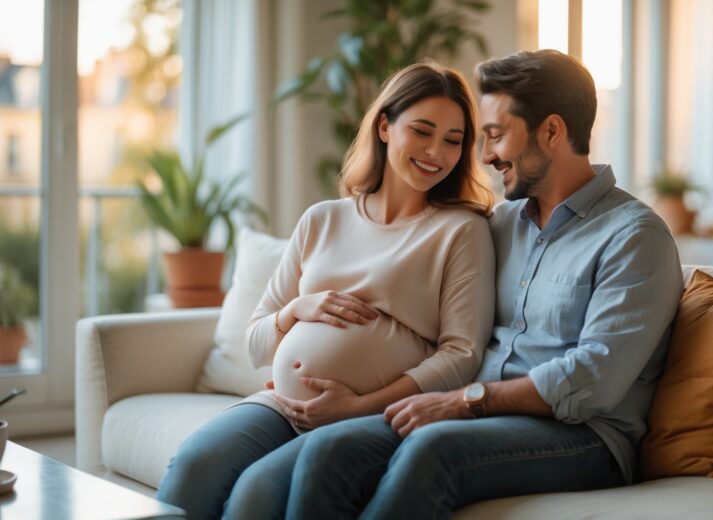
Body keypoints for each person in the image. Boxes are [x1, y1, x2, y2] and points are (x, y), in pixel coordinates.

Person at [277, 49, 685, 519]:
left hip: (583, 436)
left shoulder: (634, 236)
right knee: (329, 450)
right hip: (476, 415)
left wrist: (469, 400)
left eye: (495, 136)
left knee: (433, 452)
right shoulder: (501, 224)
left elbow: (593, 380)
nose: (486, 155)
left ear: (551, 131)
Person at [156, 61, 496, 519]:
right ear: (383, 126)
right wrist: (296, 309)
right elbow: (255, 341)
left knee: (256, 495)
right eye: (422, 131)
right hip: (280, 404)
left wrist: (357, 406)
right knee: (195, 464)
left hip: (370, 417)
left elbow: (461, 355)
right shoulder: (323, 219)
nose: (436, 151)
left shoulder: (461, 231)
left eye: (453, 141)